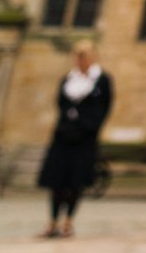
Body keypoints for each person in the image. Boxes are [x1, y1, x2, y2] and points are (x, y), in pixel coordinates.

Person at [37, 40, 112, 238]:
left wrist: (87, 125)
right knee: (57, 181)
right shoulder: (68, 79)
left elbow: (104, 108)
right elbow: (60, 104)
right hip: (63, 136)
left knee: (75, 182)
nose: (79, 60)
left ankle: (68, 222)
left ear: (92, 57)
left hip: (85, 138)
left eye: (83, 56)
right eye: (77, 56)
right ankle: (53, 222)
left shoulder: (102, 80)